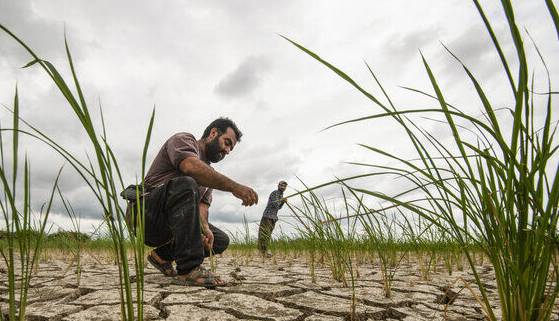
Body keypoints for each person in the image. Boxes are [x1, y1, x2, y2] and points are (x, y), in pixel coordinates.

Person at [129, 117, 258, 287]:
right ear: (213, 133)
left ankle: (161, 256)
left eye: (231, 149)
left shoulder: (209, 175)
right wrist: (235, 187)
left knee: (219, 239)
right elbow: (190, 167)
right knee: (187, 182)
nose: (227, 151)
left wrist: (204, 229)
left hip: (173, 224)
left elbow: (202, 208)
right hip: (145, 214)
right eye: (226, 143)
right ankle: (189, 269)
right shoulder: (184, 140)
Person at [257, 180, 287, 257]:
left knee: (268, 234)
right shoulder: (275, 193)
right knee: (264, 234)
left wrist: (283, 202)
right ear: (278, 186)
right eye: (281, 185)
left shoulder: (281, 195)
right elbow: (275, 204)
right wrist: (282, 201)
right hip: (268, 216)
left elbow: (279, 207)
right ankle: (262, 251)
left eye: (284, 186)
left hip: (273, 217)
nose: (283, 187)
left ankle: (264, 251)